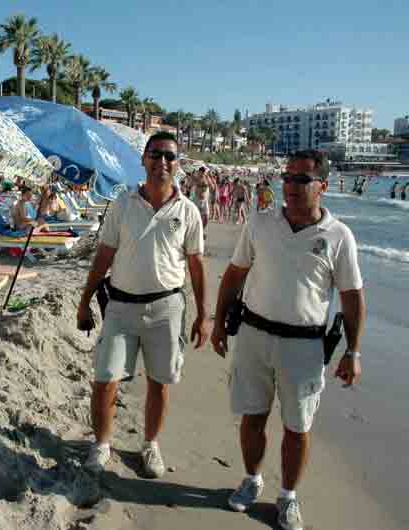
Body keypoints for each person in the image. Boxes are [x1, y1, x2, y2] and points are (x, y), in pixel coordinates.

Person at [211, 150, 365, 530]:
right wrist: (218, 323)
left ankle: (288, 497)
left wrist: (353, 351)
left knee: (298, 427)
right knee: (252, 417)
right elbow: (233, 275)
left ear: (323, 186)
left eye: (302, 180)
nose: (291, 186)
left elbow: (352, 297)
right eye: (288, 177)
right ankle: (251, 480)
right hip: (253, 335)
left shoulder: (339, 236)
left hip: (305, 347)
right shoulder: (260, 224)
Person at [76, 132, 209, 477]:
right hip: (120, 308)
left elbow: (195, 264)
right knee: (105, 378)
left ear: (178, 164)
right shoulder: (123, 204)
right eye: (155, 154)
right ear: (144, 159)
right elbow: (104, 255)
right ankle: (101, 444)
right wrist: (85, 299)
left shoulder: (189, 211)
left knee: (160, 382)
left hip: (167, 308)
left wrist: (204, 316)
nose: (162, 162)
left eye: (169, 156)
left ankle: (150, 444)